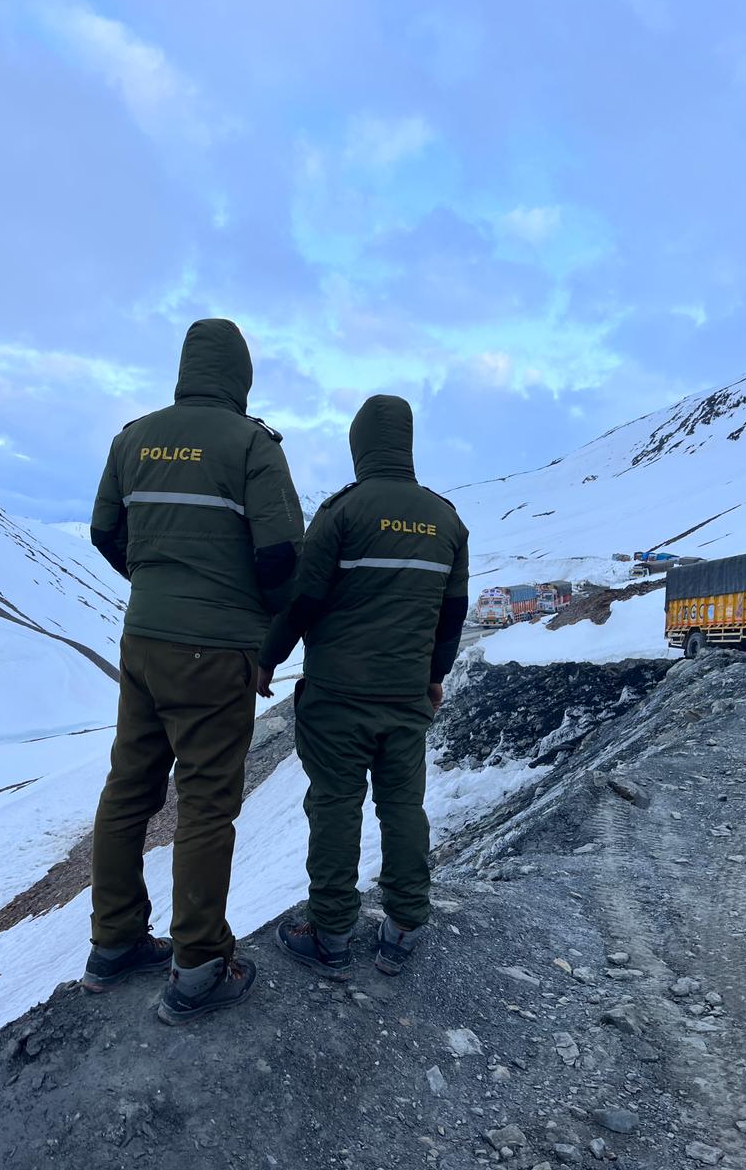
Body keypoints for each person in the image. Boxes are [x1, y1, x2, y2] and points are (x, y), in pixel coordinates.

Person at [82, 318, 303, 1024]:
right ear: (240, 375)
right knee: (207, 803)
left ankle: (113, 943)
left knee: (128, 790)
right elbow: (281, 558)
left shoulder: (132, 437)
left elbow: (103, 533)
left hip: (143, 637)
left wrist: (154, 580)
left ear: (186, 368)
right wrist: (255, 626)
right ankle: (200, 963)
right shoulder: (252, 446)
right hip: (217, 648)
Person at [258, 394, 469, 978]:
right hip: (405, 698)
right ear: (405, 443)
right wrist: (433, 679)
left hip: (337, 699)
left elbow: (302, 599)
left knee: (334, 808)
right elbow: (452, 615)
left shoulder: (342, 513)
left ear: (359, 446)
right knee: (403, 807)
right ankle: (402, 928)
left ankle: (330, 936)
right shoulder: (446, 520)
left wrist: (267, 659)